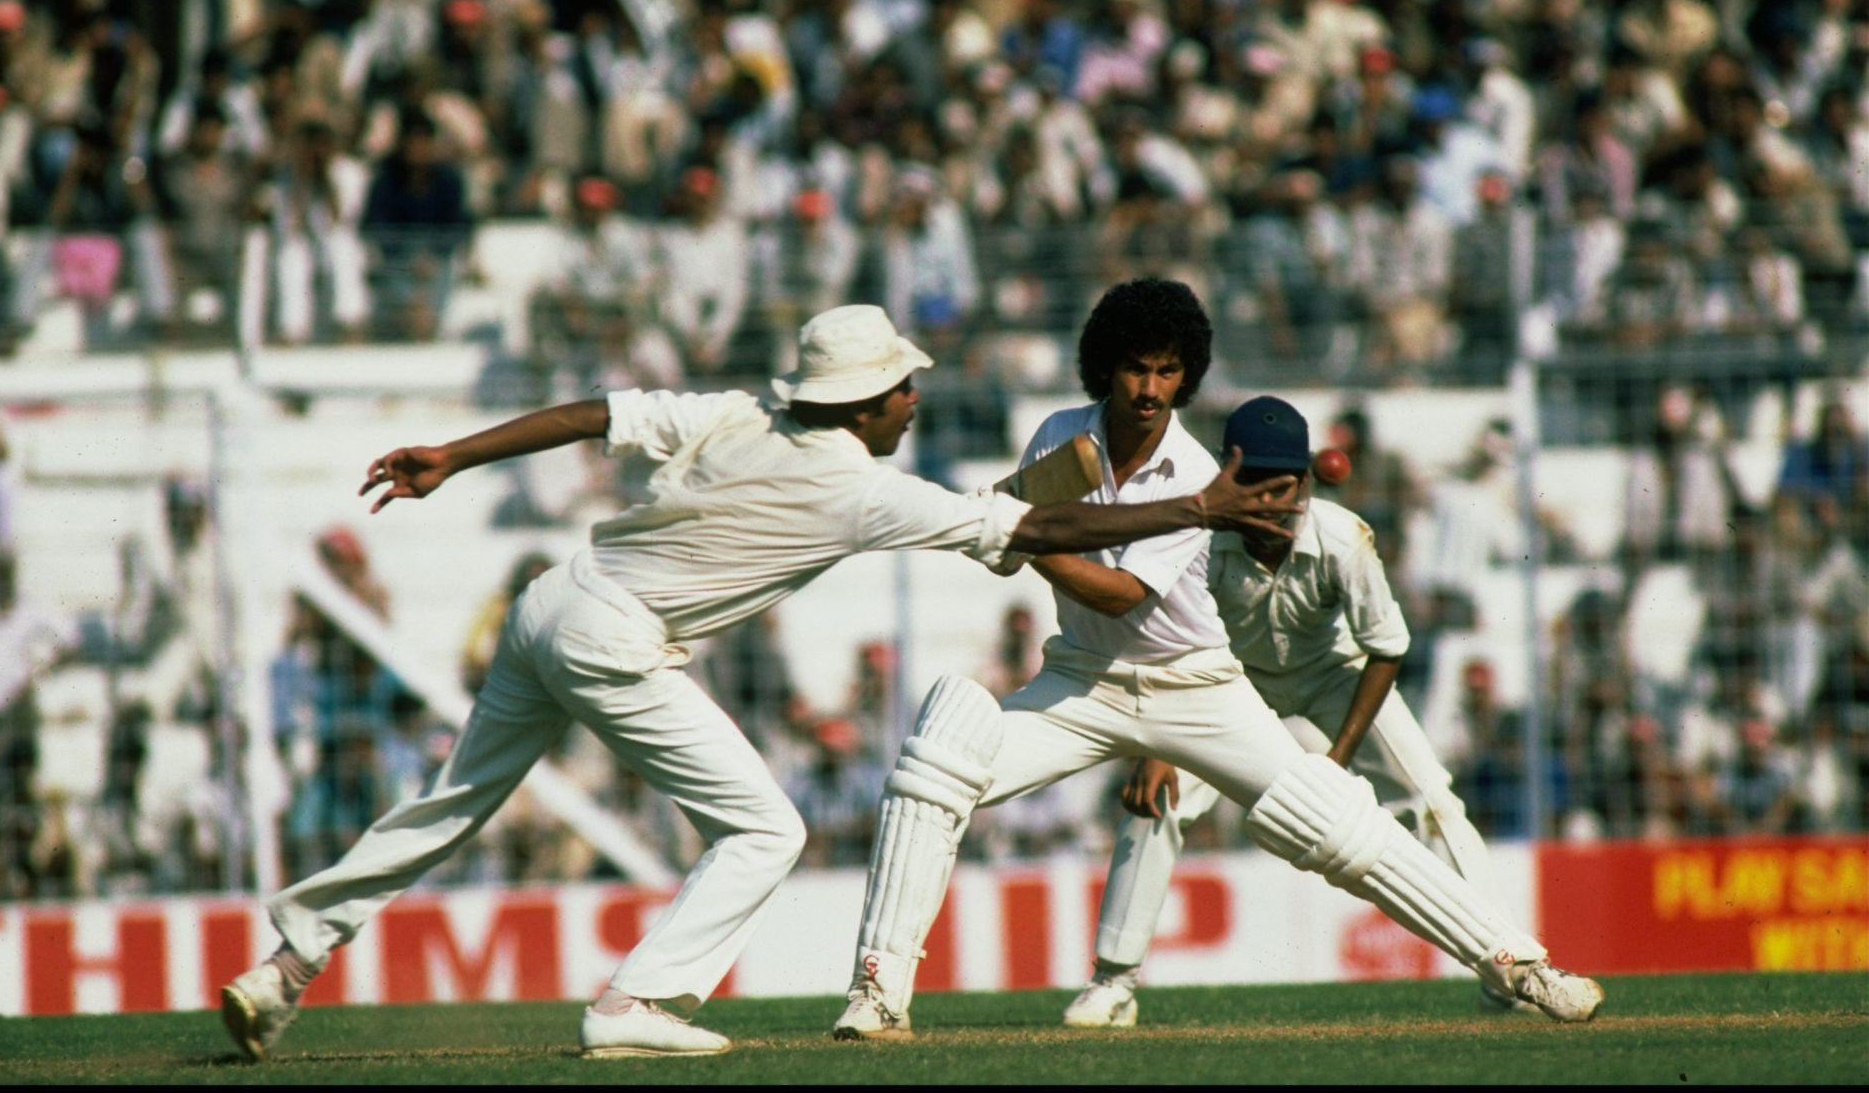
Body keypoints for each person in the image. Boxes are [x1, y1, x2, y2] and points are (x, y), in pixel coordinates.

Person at [220, 303, 1299, 1062]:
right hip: (615, 635)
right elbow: (1048, 526)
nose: (916, 398)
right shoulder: (867, 493)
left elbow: (594, 412)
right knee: (768, 831)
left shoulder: (739, 412)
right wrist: (1199, 508)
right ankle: (637, 999)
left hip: (552, 600)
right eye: (904, 387)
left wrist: (453, 455)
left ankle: (283, 966)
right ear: (870, 402)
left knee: (455, 800)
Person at [830, 285, 1603, 1043]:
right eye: (1136, 368)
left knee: (1337, 823)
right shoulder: (1058, 434)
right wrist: (1000, 525)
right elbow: (1006, 554)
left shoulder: (1199, 477)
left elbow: (1120, 594)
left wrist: (1020, 534)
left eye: (1168, 372)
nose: (1150, 390)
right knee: (935, 767)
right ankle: (878, 993)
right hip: (1081, 683)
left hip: (1197, 686)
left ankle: (1520, 967)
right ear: (1105, 367)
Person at [1063, 394, 1540, 1028]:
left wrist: (1337, 759)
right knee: (1158, 799)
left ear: (1310, 482)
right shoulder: (1194, 540)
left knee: (1432, 802)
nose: (1269, 506)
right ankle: (1113, 983)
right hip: (1225, 684)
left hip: (1331, 679)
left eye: (1284, 489)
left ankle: (1506, 966)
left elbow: (1385, 648)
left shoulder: (1342, 537)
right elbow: (1164, 643)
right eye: (1252, 487)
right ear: (1224, 480)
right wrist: (1157, 751)